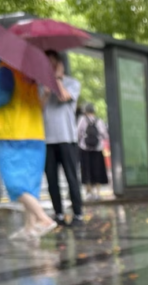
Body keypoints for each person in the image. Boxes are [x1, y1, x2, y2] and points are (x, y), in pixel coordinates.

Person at [0, 53, 56, 241]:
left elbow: (0, 97)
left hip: (11, 133)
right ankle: (30, 228)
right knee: (30, 183)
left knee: (14, 182)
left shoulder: (5, 71)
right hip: (34, 133)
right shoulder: (28, 75)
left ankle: (43, 219)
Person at [42, 50, 83, 227]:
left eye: (53, 63)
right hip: (47, 139)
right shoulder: (40, 84)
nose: (50, 66)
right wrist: (44, 93)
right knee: (52, 180)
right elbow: (38, 108)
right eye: (46, 63)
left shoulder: (72, 83)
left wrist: (57, 79)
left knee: (71, 178)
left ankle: (78, 214)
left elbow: (63, 97)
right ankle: (58, 214)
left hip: (67, 138)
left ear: (59, 63)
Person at [77, 103, 109, 200]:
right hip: (97, 149)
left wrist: (80, 141)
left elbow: (78, 133)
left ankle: (88, 192)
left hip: (85, 149)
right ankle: (98, 193)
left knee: (86, 170)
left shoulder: (82, 120)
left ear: (85, 111)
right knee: (98, 169)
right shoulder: (99, 121)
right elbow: (105, 135)